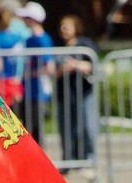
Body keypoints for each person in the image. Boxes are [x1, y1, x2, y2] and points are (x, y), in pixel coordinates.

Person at [55, 14, 98, 164]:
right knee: (67, 129)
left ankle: (88, 158)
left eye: (67, 26)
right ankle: (69, 160)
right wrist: (62, 70)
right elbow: (54, 72)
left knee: (87, 127)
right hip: (65, 95)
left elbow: (93, 64)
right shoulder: (59, 48)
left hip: (84, 92)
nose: (63, 29)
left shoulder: (84, 44)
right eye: (62, 26)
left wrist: (76, 66)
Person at [19, 2, 55, 146]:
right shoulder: (29, 40)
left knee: (37, 130)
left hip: (39, 91)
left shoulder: (43, 40)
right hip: (28, 91)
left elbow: (49, 67)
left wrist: (32, 74)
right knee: (27, 129)